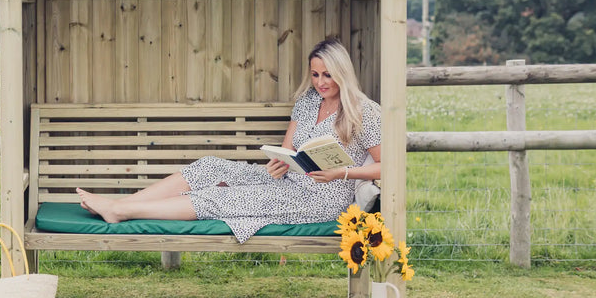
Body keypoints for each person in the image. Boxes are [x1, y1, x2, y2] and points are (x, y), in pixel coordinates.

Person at [76, 37, 382, 242]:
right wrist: (279, 162)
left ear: (342, 72)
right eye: (315, 75)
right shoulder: (307, 101)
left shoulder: (363, 111)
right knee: (209, 167)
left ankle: (120, 211)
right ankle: (119, 204)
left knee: (225, 198)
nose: (320, 82)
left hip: (320, 199)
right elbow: (288, 149)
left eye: (327, 75)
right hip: (284, 180)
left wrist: (341, 172)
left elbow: (387, 167)